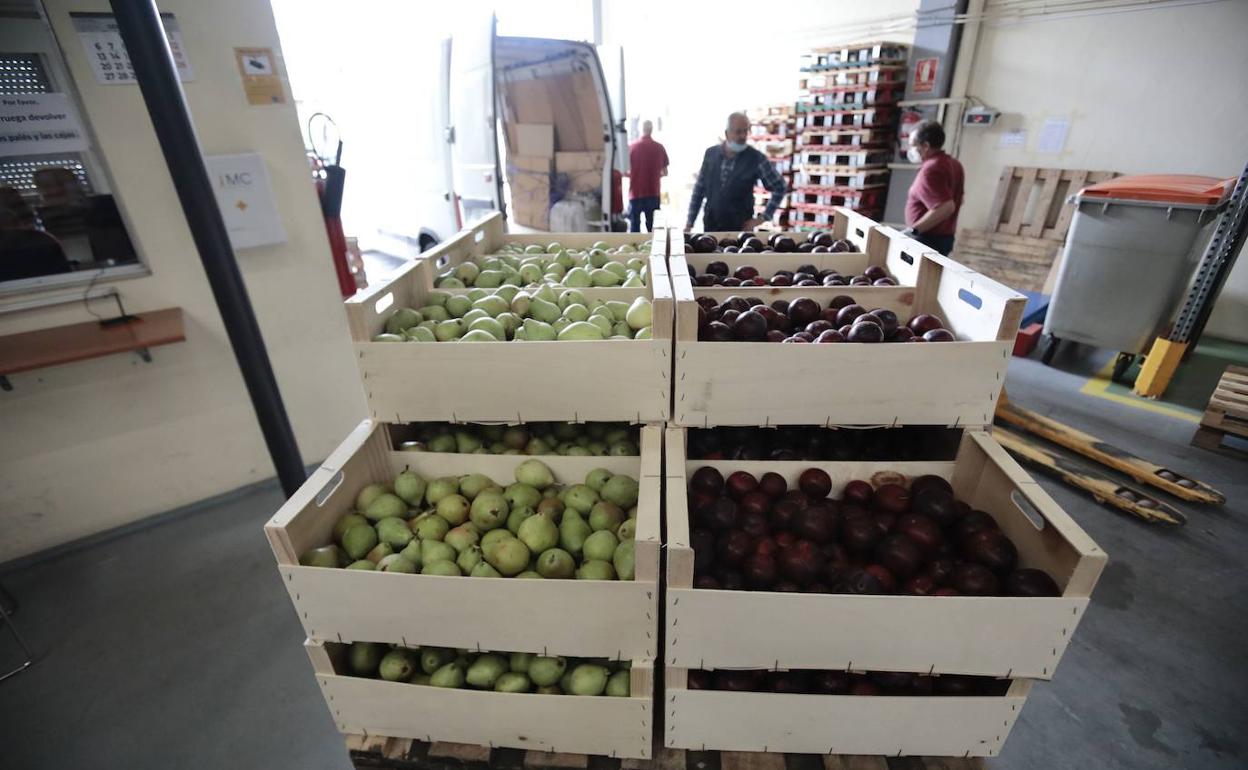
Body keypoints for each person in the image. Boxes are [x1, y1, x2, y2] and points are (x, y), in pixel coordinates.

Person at [686, 112, 786, 232]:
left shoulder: (756, 159)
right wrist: (689, 223)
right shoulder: (711, 155)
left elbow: (780, 187)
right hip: (711, 226)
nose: (743, 136)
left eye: (745, 131)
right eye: (738, 132)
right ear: (727, 133)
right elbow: (699, 189)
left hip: (740, 230)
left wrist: (763, 218)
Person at [902, 120, 964, 255]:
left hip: (927, 240)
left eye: (913, 145)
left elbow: (946, 207)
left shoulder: (931, 170)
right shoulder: (954, 164)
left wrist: (914, 230)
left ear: (925, 146)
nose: (910, 150)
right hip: (943, 239)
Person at [627, 120, 668, 233]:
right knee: (653, 229)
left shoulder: (632, 147)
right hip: (653, 192)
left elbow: (625, 172)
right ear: (652, 129)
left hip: (636, 193)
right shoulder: (660, 148)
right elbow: (665, 172)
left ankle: (635, 249)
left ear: (641, 130)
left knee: (635, 228)